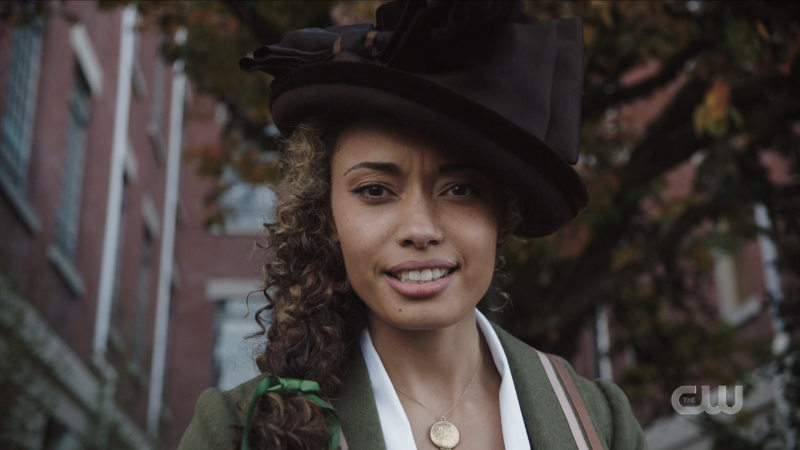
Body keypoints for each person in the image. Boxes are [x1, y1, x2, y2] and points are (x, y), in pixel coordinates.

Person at [179, 1, 648, 449]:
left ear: (502, 216)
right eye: (376, 191)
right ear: (328, 217)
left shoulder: (601, 423)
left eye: (460, 189)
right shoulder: (234, 429)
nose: (420, 229)